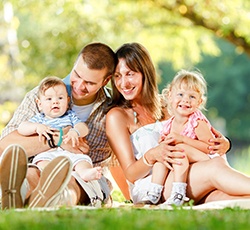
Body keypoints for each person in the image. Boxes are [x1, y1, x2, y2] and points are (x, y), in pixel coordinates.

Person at [106, 42, 250, 206]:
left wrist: (225, 144)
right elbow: (130, 174)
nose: (123, 83)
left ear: (145, 73)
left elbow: (204, 134)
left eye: (130, 74)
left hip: (184, 176)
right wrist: (153, 154)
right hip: (154, 186)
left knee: (223, 196)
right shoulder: (117, 116)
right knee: (214, 168)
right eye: (117, 76)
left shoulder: (170, 105)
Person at [0, 42, 119, 209]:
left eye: (89, 83)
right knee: (30, 173)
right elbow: (5, 145)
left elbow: (125, 155)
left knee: (69, 181)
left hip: (84, 174)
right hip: (39, 164)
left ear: (106, 80)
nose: (79, 86)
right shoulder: (43, 96)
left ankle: (55, 200)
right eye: (76, 74)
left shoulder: (112, 109)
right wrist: (58, 139)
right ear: (74, 65)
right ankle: (16, 195)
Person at [142, 69, 223, 206]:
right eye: (180, 94)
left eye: (192, 97)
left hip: (203, 160)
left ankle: (179, 194)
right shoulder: (168, 125)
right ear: (170, 96)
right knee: (161, 159)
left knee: (179, 150)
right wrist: (164, 144)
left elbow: (209, 148)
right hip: (181, 161)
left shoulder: (197, 122)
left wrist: (183, 140)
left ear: (199, 102)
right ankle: (154, 193)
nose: (186, 99)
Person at [18, 76, 102, 183]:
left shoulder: (70, 116)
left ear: (67, 101)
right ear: (40, 104)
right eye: (49, 99)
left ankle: (85, 173)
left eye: (60, 98)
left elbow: (83, 127)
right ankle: (52, 177)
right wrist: (36, 127)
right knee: (41, 163)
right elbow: (22, 128)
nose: (55, 102)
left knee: (83, 160)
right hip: (48, 153)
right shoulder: (39, 118)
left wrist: (75, 131)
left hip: (71, 153)